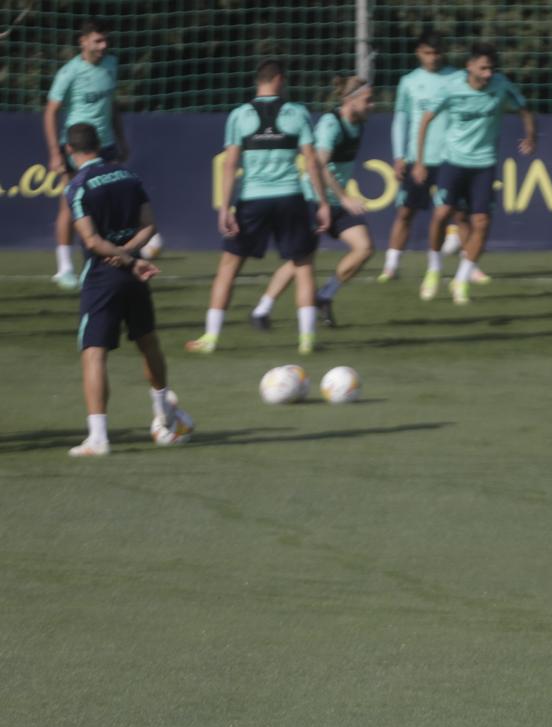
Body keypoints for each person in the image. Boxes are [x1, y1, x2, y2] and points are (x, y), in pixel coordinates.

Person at [63, 123, 193, 458]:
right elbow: (149, 225)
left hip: (103, 276)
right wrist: (132, 256)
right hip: (134, 274)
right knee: (148, 342)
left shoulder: (78, 186)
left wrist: (120, 256)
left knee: (94, 353)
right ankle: (163, 412)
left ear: (70, 150)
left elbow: (92, 241)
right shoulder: (127, 175)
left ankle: (98, 437)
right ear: (101, 145)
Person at [185, 60, 330, 355]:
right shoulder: (298, 112)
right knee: (303, 265)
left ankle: (210, 338)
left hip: (253, 199)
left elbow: (230, 164)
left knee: (228, 267)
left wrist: (225, 208)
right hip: (290, 196)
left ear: (258, 82)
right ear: (279, 79)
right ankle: (307, 340)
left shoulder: (239, 115)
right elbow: (312, 162)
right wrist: (323, 202)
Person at [415, 43, 536, 305]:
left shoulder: (501, 86)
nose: (488, 73)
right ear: (469, 66)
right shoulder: (452, 87)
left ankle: (461, 279)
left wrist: (530, 136)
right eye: (483, 68)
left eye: (491, 68)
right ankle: (434, 269)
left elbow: (524, 107)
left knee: (482, 223)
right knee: (442, 214)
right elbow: (425, 120)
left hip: (484, 164)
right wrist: (420, 161)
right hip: (454, 161)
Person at [251, 77, 375, 330]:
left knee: (364, 248)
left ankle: (325, 296)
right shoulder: (331, 124)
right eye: (368, 100)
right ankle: (262, 309)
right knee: (301, 258)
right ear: (350, 101)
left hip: (335, 201)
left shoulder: (359, 124)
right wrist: (342, 198)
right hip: (312, 199)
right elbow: (319, 165)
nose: (372, 105)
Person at [379, 31, 484, 292]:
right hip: (420, 159)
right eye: (427, 52)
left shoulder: (458, 78)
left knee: (460, 215)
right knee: (406, 212)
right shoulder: (409, 82)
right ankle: (391, 265)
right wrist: (399, 155)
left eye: (437, 53)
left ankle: (470, 267)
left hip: (452, 157)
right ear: (418, 53)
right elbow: (401, 119)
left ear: (443, 53)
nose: (433, 58)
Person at [43, 18, 129, 291]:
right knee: (69, 205)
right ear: (83, 41)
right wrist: (55, 152)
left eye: (106, 41)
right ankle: (64, 268)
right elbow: (51, 112)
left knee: (113, 200)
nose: (103, 46)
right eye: (98, 41)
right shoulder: (70, 72)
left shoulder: (111, 65)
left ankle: (111, 256)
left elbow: (112, 105)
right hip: (77, 147)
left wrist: (121, 138)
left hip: (105, 144)